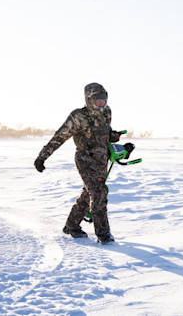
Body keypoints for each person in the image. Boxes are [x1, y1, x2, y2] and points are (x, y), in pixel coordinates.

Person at [34, 83, 121, 243]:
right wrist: (42, 157)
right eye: (98, 100)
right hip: (85, 159)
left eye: (104, 99)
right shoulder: (78, 117)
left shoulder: (107, 112)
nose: (102, 103)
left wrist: (115, 137)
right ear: (89, 99)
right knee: (98, 193)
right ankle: (103, 235)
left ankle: (71, 226)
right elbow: (59, 137)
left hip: (102, 160)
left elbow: (106, 133)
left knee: (88, 193)